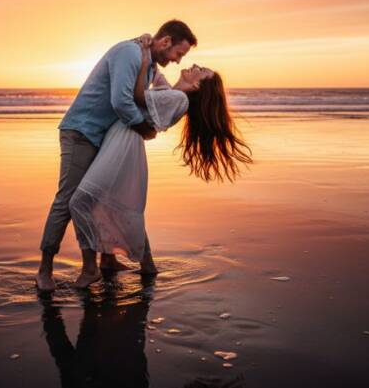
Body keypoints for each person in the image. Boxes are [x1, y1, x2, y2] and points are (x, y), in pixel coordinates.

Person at [68, 37, 253, 288]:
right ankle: (138, 264)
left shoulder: (180, 100)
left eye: (201, 70)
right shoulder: (174, 93)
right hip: (122, 140)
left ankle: (92, 269)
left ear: (198, 85)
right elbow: (157, 78)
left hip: (124, 144)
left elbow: (139, 96)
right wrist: (148, 48)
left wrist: (143, 60)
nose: (194, 65)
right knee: (111, 203)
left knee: (82, 201)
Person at [36, 20, 198, 291]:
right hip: (82, 132)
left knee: (104, 198)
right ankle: (44, 269)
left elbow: (163, 94)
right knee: (67, 200)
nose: (177, 60)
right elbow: (121, 101)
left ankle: (107, 260)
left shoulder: (149, 65)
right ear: (166, 41)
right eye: (178, 54)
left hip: (105, 136)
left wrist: (188, 92)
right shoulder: (129, 53)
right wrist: (143, 128)